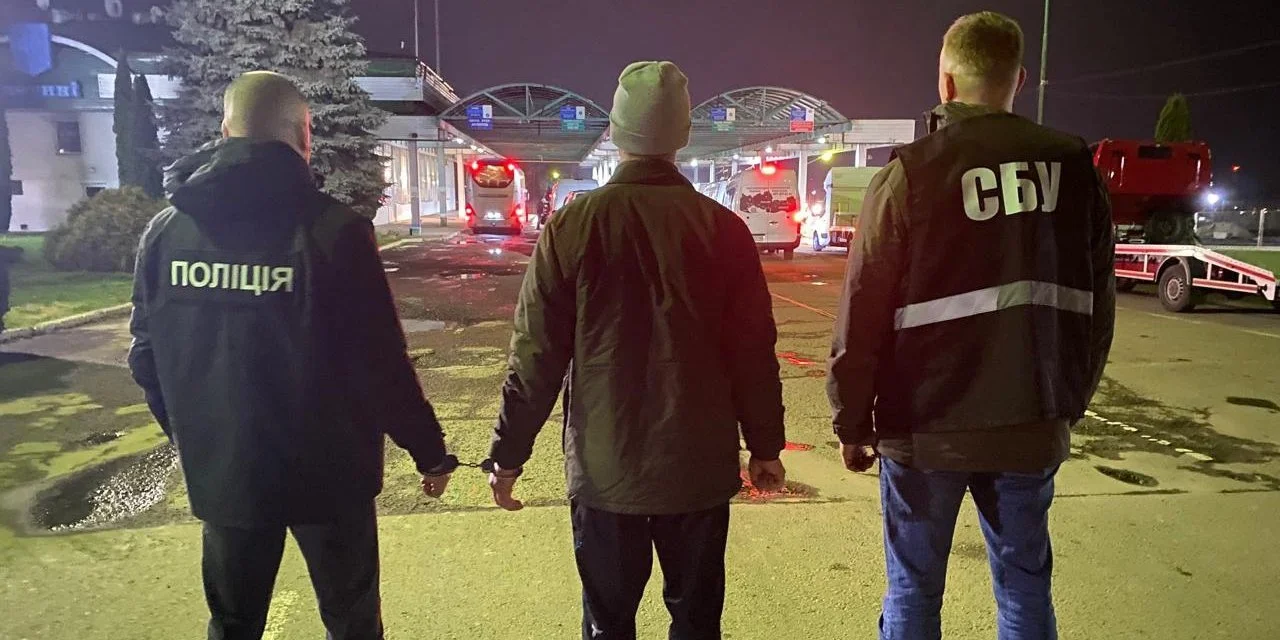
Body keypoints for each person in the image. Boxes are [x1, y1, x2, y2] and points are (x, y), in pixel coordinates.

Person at [128, 71, 454, 640]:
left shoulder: (167, 232)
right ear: (305, 136)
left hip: (227, 474)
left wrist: (194, 439)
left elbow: (145, 355)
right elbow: (380, 364)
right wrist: (428, 452)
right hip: (330, 476)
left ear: (225, 131)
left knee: (233, 624)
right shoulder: (335, 231)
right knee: (351, 623)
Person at [827, 12, 1115, 640]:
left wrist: (852, 421)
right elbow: (1098, 307)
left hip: (924, 428)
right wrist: (1068, 403)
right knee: (1025, 591)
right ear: (1019, 79)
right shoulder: (1075, 167)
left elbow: (862, 309)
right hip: (1032, 420)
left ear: (947, 83)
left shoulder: (911, 172)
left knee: (913, 590)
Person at [487, 61, 787, 640]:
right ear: (682, 135)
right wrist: (766, 445)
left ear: (617, 131)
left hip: (606, 468)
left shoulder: (573, 227)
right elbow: (753, 352)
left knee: (608, 622)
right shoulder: (724, 230)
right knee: (696, 620)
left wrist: (509, 455)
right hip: (697, 466)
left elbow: (536, 355)